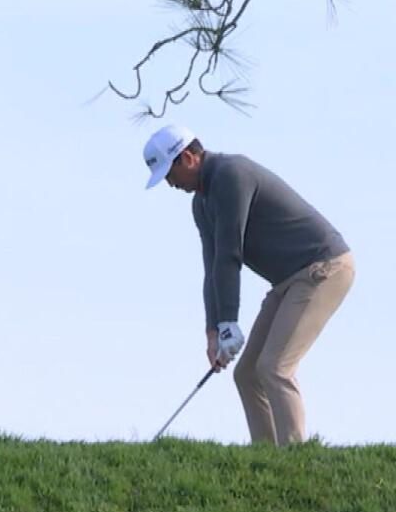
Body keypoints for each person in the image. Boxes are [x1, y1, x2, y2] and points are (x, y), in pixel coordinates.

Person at [143, 124, 354, 445]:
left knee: (274, 367)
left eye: (169, 175)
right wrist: (214, 332)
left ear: (187, 158)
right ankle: (267, 460)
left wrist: (229, 320)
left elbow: (230, 253)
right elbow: (212, 267)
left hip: (323, 268)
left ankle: (295, 460)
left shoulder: (230, 175)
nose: (170, 184)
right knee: (247, 374)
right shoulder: (201, 203)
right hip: (287, 281)